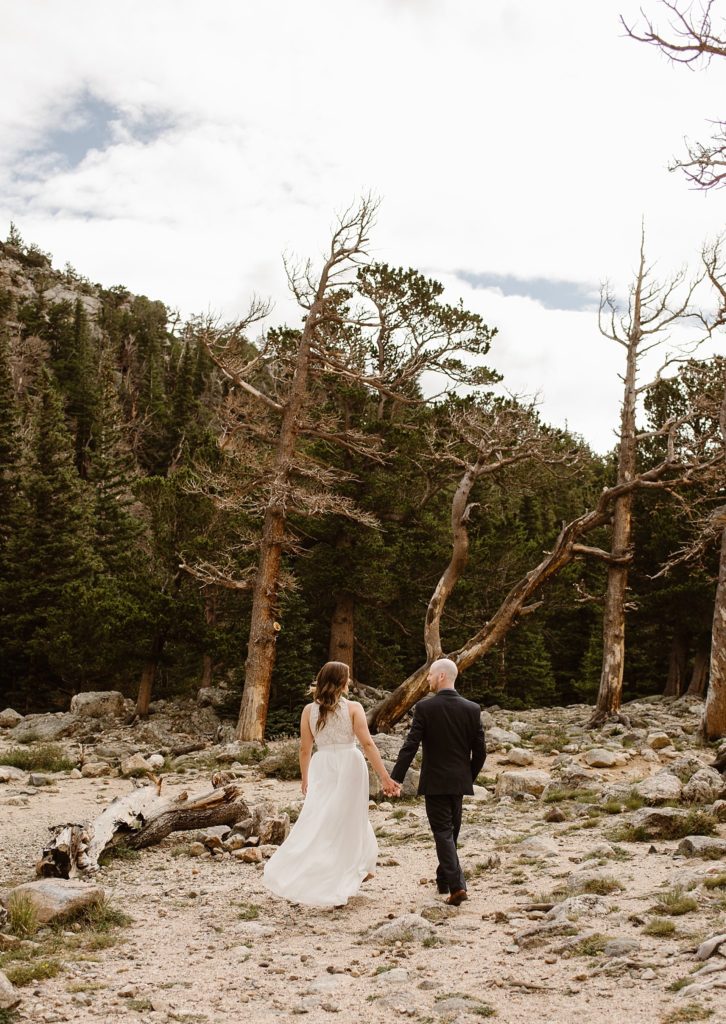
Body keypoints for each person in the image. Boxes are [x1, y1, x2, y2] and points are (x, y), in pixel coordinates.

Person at [263, 660, 399, 908]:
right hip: (350, 763)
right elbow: (367, 744)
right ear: (340, 682)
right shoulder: (354, 708)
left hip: (322, 764)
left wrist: (306, 777)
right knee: (350, 817)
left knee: (322, 817)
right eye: (347, 678)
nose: (349, 682)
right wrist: (384, 776)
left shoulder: (308, 711)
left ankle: (356, 866)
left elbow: (305, 749)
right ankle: (350, 870)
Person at [389, 658, 486, 906]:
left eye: (430, 675)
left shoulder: (425, 708)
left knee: (444, 833)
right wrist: (467, 776)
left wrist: (395, 777)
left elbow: (411, 745)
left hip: (434, 782)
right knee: (450, 833)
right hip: (459, 782)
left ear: (442, 676)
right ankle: (443, 880)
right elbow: (481, 752)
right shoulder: (472, 709)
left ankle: (457, 887)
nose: (428, 679)